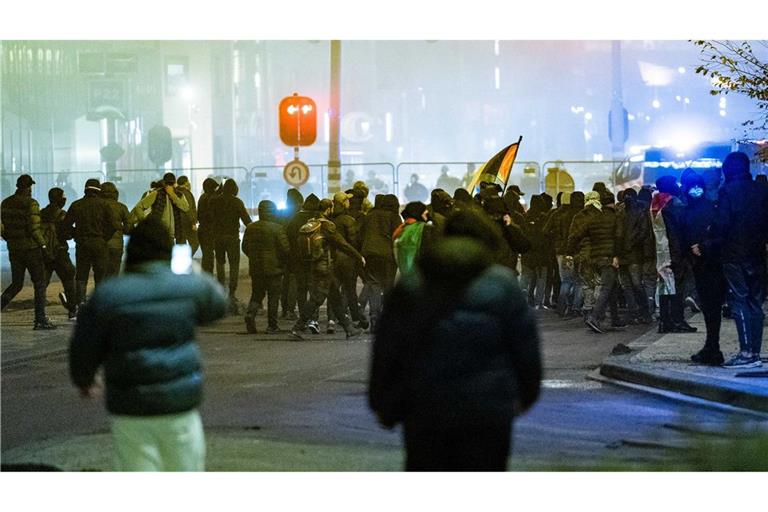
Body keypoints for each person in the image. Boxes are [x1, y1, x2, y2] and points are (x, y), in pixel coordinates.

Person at [369, 208, 542, 471]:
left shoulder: (413, 285)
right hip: (487, 412)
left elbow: (387, 349)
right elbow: (525, 350)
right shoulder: (503, 285)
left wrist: (383, 403)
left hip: (425, 408)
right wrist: (525, 397)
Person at [69, 216, 228, 471]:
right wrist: (193, 272)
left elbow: (84, 344)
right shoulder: (186, 287)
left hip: (130, 407)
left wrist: (84, 380)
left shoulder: (109, 293)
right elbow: (219, 305)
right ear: (168, 251)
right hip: (178, 405)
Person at [713, 152, 768, 368]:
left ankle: (746, 353)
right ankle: (755, 351)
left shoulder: (727, 191)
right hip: (757, 253)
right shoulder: (762, 190)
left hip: (734, 253)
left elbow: (722, 223)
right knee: (756, 302)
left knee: (740, 301)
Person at [291, 199, 365, 339]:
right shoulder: (327, 226)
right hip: (325, 267)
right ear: (329, 209)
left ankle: (349, 329)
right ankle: (298, 327)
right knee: (317, 299)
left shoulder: (311, 222)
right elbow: (342, 244)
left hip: (317, 265)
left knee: (335, 299)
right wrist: (358, 256)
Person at [680, 173, 726, 365]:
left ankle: (712, 348)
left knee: (711, 308)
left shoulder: (690, 209)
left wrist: (701, 247)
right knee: (711, 309)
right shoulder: (711, 207)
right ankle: (712, 346)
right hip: (710, 264)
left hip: (707, 264)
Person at [1, 174, 56, 329]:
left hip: (14, 248)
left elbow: (3, 228)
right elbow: (34, 228)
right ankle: (40, 319)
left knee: (16, 284)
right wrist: (44, 246)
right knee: (39, 283)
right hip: (31, 249)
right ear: (28, 187)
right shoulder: (31, 203)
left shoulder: (5, 203)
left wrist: (11, 240)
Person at [567, 191, 621, 333]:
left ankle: (614, 318)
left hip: (594, 257)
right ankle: (595, 317)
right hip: (608, 257)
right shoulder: (615, 217)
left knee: (606, 286)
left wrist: (570, 252)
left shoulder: (593, 218)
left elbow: (577, 235)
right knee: (605, 287)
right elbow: (618, 237)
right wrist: (616, 256)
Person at [62, 178, 120, 308]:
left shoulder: (76, 205)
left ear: (85, 189)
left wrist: (75, 234)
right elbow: (113, 225)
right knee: (100, 275)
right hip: (100, 243)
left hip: (82, 244)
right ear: (98, 190)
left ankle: (81, 302)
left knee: (82, 275)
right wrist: (104, 237)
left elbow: (65, 225)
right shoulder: (105, 205)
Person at [650, 176, 697, 334]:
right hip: (676, 252)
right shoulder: (674, 203)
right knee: (677, 287)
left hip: (660, 252)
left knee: (664, 287)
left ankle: (665, 321)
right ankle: (678, 320)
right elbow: (684, 227)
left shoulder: (654, 205)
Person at [242, 200, 290, 334]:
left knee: (257, 293)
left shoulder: (251, 228)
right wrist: (283, 262)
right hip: (274, 268)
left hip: (256, 267)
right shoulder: (277, 228)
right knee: (273, 296)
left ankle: (250, 314)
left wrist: (254, 257)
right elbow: (285, 249)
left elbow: (245, 247)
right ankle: (272, 325)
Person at [358, 194, 402, 331]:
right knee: (388, 287)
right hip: (387, 256)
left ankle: (374, 320)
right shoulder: (393, 216)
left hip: (370, 254)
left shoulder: (370, 215)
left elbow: (361, 234)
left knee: (374, 287)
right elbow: (399, 236)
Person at [210, 178, 251, 313]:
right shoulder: (237, 202)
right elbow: (246, 220)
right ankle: (232, 293)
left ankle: (221, 288)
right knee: (234, 265)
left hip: (217, 236)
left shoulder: (214, 201)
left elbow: (209, 218)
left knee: (220, 262)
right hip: (232, 237)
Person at [614, 188, 654, 325]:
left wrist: (629, 244)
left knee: (634, 284)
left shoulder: (636, 212)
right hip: (626, 253)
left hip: (631, 253)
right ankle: (636, 312)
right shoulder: (624, 212)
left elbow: (643, 232)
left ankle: (642, 312)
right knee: (629, 285)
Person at [330, 191, 368, 329]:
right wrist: (359, 255)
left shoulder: (330, 219)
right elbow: (353, 241)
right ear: (344, 203)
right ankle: (357, 319)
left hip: (333, 259)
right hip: (347, 260)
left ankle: (331, 321)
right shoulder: (348, 220)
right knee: (350, 290)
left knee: (333, 290)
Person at [40, 187, 78, 320]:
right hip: (60, 251)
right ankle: (72, 311)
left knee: (42, 283)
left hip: (45, 252)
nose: (65, 199)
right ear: (59, 199)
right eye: (63, 196)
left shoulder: (41, 213)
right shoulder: (62, 214)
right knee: (68, 280)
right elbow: (67, 233)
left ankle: (40, 314)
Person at [131, 172, 190, 244]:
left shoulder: (179, 195)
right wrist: (145, 221)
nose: (169, 186)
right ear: (164, 183)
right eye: (168, 183)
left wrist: (173, 195)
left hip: (174, 232)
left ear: (174, 184)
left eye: (171, 184)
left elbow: (186, 208)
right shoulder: (157, 193)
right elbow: (139, 207)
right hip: (159, 231)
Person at [392, 201, 433, 279]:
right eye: (425, 212)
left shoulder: (401, 229)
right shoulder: (424, 228)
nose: (427, 214)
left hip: (405, 274)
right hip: (421, 275)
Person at [100, 182, 132, 278]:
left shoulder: (97, 206)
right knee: (113, 273)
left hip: (100, 244)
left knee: (100, 274)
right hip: (116, 245)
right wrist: (120, 229)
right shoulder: (121, 207)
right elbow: (129, 228)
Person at [196, 177, 220, 274]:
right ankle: (208, 276)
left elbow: (198, 215)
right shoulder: (213, 198)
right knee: (209, 255)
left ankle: (204, 275)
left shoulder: (202, 197)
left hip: (201, 229)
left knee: (206, 254)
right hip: (210, 230)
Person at [176, 176, 199, 255]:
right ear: (186, 182)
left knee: (181, 245)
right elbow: (188, 209)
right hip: (187, 223)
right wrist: (193, 222)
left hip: (178, 223)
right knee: (195, 243)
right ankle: (187, 258)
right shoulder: (186, 193)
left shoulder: (175, 192)